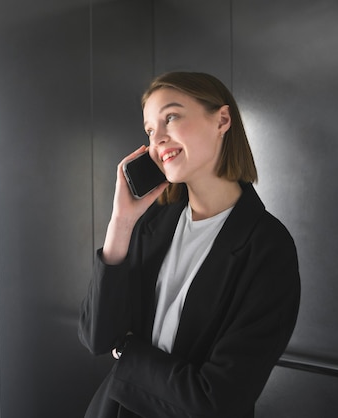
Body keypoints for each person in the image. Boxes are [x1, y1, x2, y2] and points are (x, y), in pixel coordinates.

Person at [78, 71, 300, 418]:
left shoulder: (268, 248)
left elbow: (217, 401)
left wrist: (128, 351)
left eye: (171, 117)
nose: (158, 139)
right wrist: (120, 224)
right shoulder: (153, 222)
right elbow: (97, 337)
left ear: (222, 120)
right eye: (150, 130)